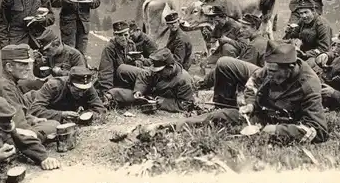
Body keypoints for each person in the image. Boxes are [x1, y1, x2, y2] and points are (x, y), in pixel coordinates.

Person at [133, 41, 329, 144]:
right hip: (261, 113)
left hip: (283, 121)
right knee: (217, 116)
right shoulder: (272, 68)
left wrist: (278, 131)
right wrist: (250, 102)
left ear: (291, 67)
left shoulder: (309, 86)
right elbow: (254, 80)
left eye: (276, 73)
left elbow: (318, 131)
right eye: (269, 70)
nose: (271, 76)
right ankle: (164, 128)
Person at [0, 44, 60, 143]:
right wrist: (36, 133)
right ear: (9, 67)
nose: (28, 68)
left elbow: (16, 110)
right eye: (23, 64)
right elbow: (19, 124)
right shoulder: (4, 85)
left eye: (27, 64)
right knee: (53, 126)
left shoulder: (4, 79)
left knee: (49, 124)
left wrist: (32, 119)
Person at [105, 48, 194, 113]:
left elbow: (185, 104)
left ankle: (112, 97)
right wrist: (139, 90)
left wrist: (164, 102)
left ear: (170, 68)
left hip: (155, 97)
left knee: (116, 93)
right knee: (122, 69)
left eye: (159, 71)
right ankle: (117, 94)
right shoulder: (160, 71)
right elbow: (145, 75)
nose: (157, 73)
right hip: (149, 89)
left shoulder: (183, 80)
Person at [195, 14, 268, 91]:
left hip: (258, 78)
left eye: (244, 28)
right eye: (241, 27)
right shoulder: (260, 40)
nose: (241, 30)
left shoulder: (254, 45)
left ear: (254, 28)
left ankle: (201, 85)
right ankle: (204, 83)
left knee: (223, 67)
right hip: (260, 74)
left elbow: (243, 68)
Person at [29, 66, 106, 123]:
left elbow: (100, 109)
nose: (81, 93)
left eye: (84, 90)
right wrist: (61, 114)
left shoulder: (88, 87)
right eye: (78, 90)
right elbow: (35, 110)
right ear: (69, 84)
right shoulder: (54, 85)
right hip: (29, 102)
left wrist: (84, 115)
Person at [282, 0, 332, 69]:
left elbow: (324, 48)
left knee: (304, 68)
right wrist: (289, 32)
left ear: (313, 11)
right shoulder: (302, 21)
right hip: (302, 51)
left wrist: (305, 54)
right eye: (301, 13)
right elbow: (294, 35)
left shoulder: (322, 25)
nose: (304, 16)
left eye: (306, 12)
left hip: (317, 55)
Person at [96, 21, 138, 97]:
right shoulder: (109, 49)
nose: (123, 38)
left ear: (129, 34)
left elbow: (137, 64)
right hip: (115, 81)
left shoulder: (131, 45)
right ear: (114, 35)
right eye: (120, 35)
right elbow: (106, 72)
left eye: (125, 35)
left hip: (128, 79)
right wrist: (107, 93)